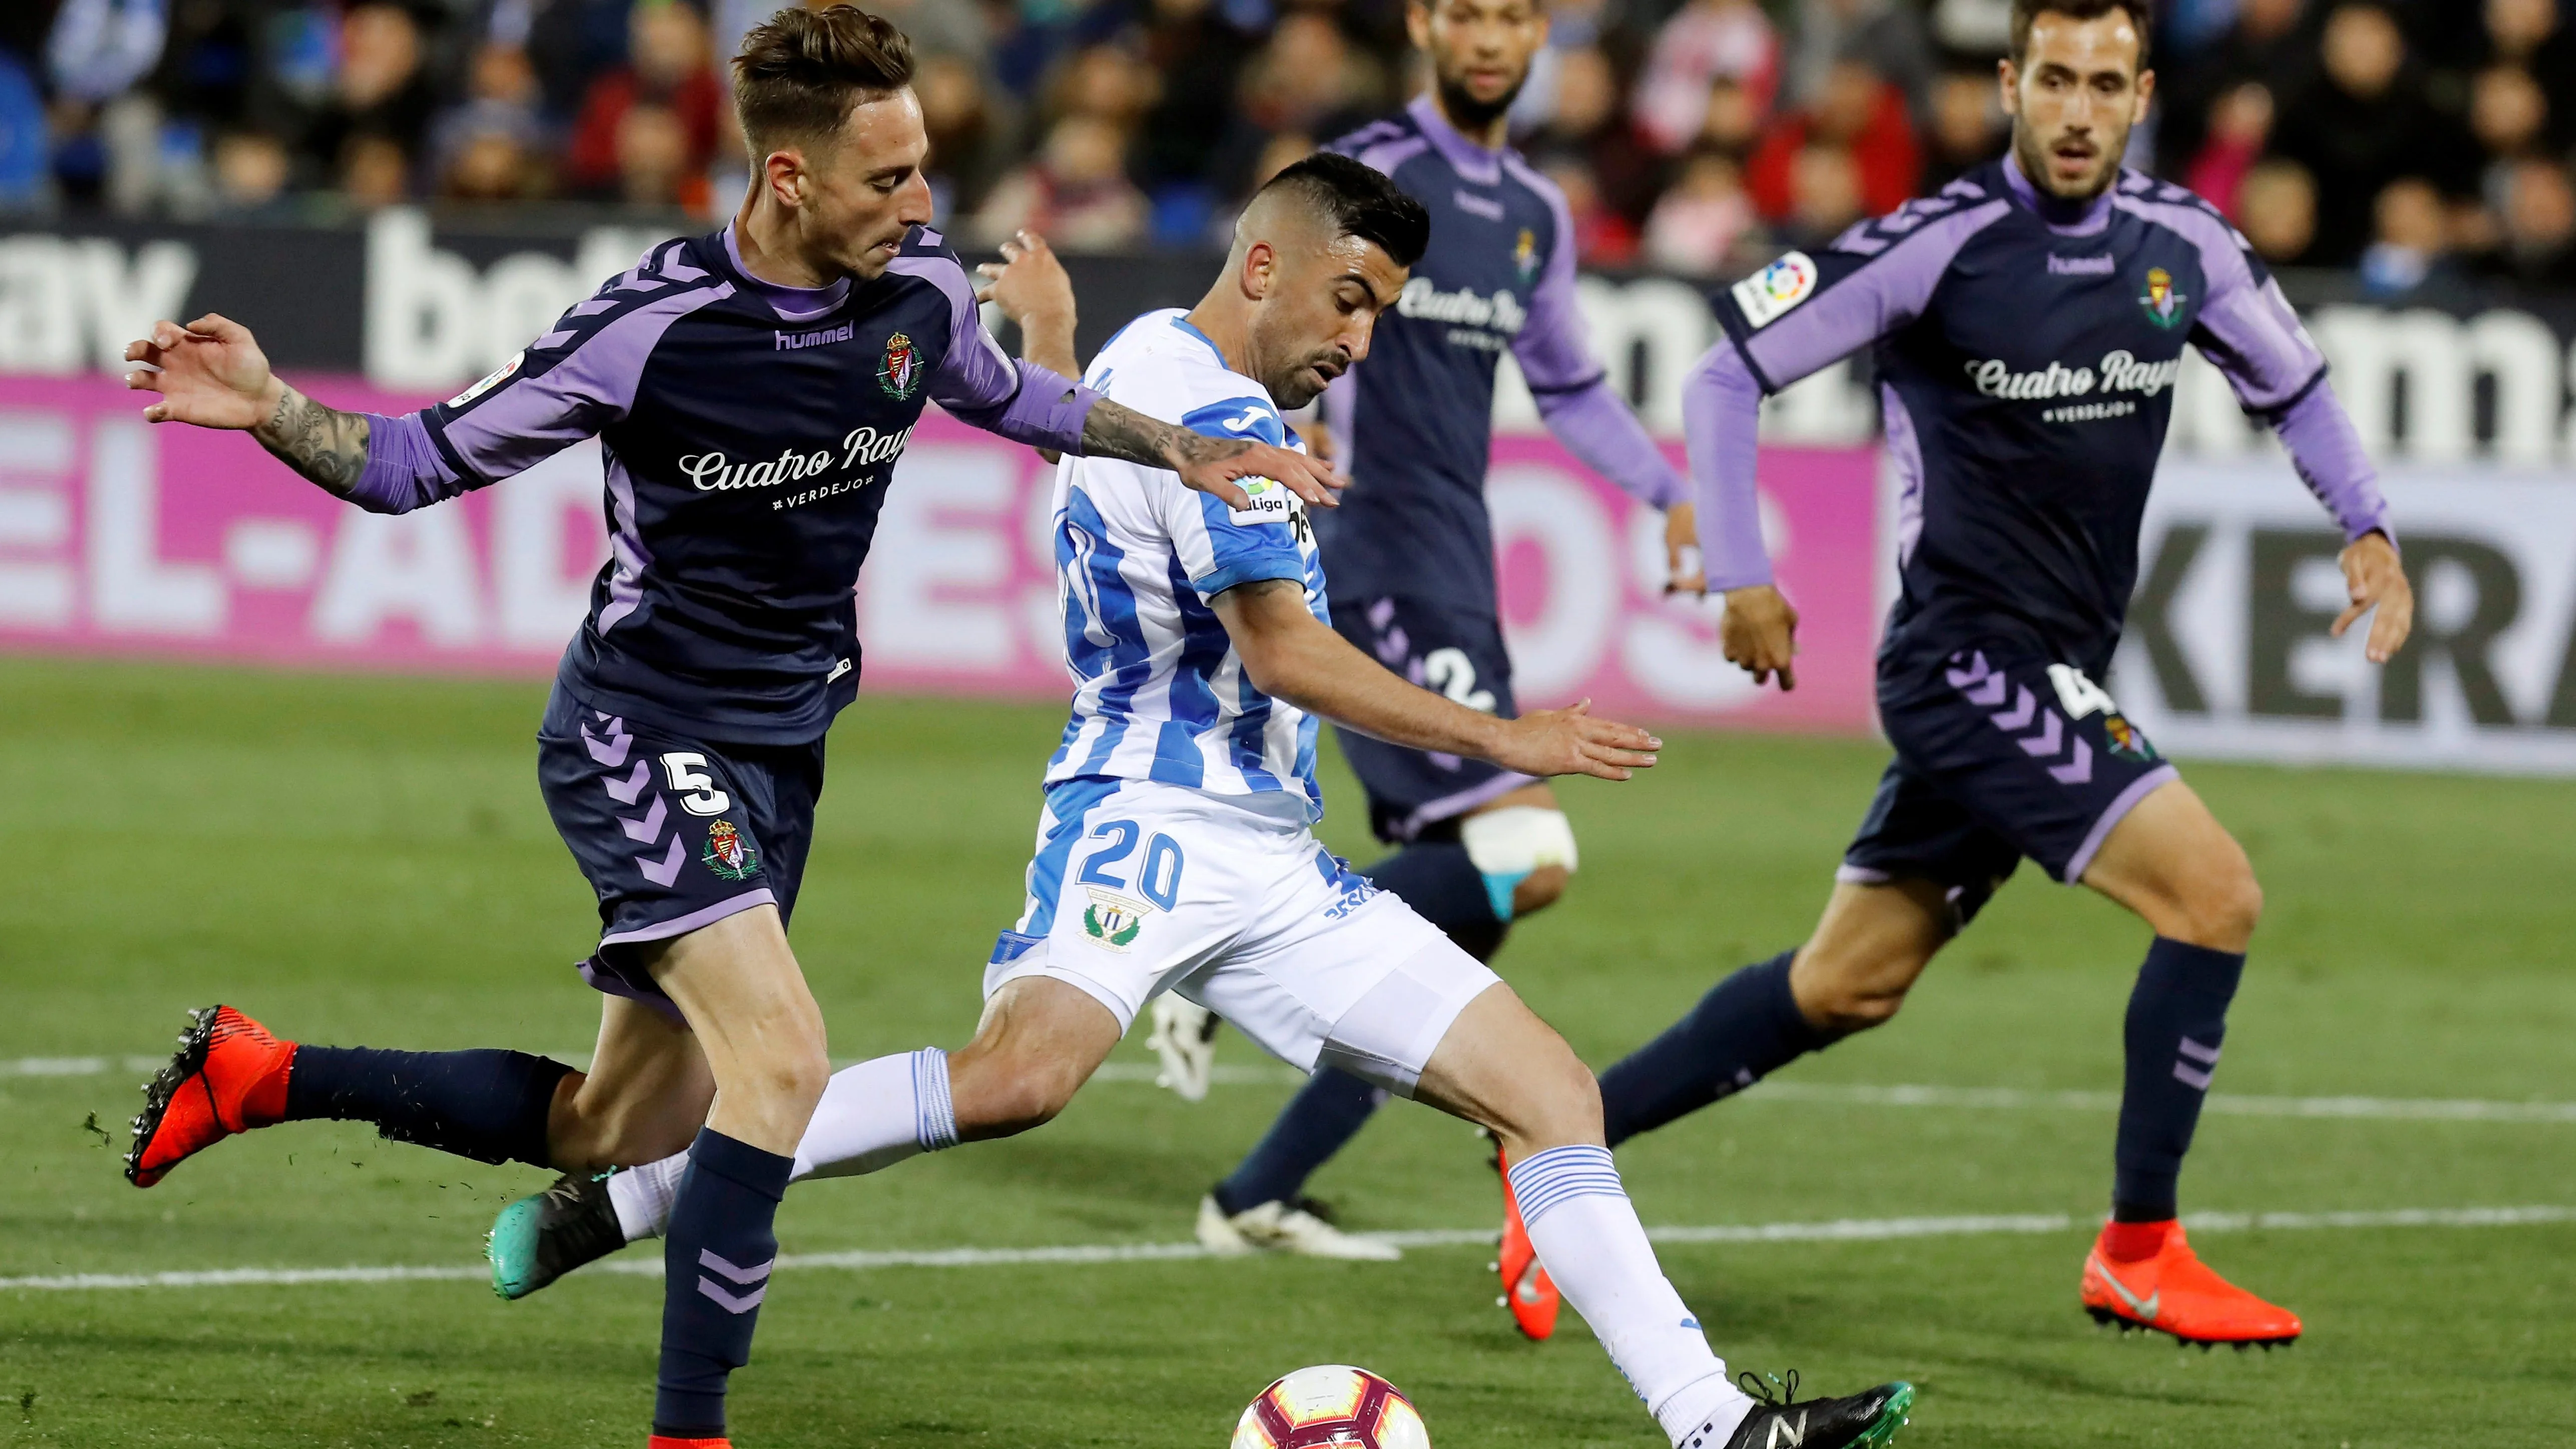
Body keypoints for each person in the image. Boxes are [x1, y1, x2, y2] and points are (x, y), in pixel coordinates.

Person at [479, 150, 1922, 1449]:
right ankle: (647, 1192)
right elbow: (1283, 651)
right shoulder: (1207, 408)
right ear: (1265, 264)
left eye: (1380, 318)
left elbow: (1076, 459)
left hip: (1275, 855)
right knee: (1017, 1082)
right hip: (1146, 820)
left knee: (1553, 1093)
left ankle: (1719, 1423)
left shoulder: (1148, 360)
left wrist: (1045, 336)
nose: (1357, 341)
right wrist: (1512, 739)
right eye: (1347, 301)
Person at [113, 11, 1338, 1449]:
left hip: (782, 747)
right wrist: (268, 405)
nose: (924, 205)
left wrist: (1187, 448)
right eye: (888, 180)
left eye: (925, 169)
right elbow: (413, 463)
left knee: (616, 1129)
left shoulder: (920, 290)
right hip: (642, 727)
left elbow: (1015, 396)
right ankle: (690, 1429)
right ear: (787, 179)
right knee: (783, 1064)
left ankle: (259, 1073)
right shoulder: (652, 324)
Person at [1503, 0, 2417, 1350]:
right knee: (2215, 896)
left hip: (2052, 664)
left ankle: (1555, 1151)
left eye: (2107, 84)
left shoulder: (2188, 248)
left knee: (1846, 983)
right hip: (1966, 660)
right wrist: (1747, 571)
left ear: (2143, 94)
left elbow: (2300, 388)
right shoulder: (1939, 245)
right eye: (2055, 78)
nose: (2079, 109)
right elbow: (1724, 375)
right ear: (2011, 84)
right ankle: (2140, 1247)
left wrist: (2370, 529)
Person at [1147, 0, 1710, 1291]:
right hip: (1366, 543)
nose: (1493, 35)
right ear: (1425, 22)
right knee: (1525, 845)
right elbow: (1246, 314)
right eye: (1468, 10)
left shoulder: (1534, 211)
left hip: (1455, 554)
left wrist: (1664, 489)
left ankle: (1258, 1187)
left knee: (1481, 902)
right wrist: (1262, 420)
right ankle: (1221, 961)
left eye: (1517, 13)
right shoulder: (1355, 180)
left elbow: (1565, 381)